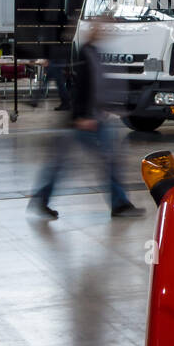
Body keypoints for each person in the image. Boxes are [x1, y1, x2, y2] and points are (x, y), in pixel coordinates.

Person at [28, 15, 141, 219]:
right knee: (68, 164)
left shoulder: (94, 52)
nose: (102, 31)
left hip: (94, 119)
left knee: (106, 160)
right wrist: (81, 117)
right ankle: (42, 200)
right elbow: (79, 89)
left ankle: (119, 204)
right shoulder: (84, 53)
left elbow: (97, 86)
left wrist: (107, 107)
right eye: (98, 28)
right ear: (90, 31)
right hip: (82, 122)